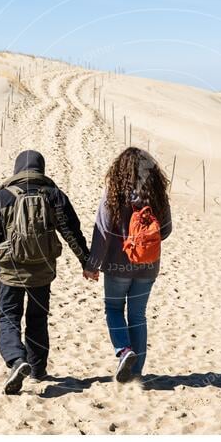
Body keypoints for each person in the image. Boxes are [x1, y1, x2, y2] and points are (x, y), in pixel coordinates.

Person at [0, 150, 90, 395]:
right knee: (37, 318)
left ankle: (17, 361)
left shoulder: (4, 195)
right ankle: (38, 369)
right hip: (43, 270)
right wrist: (86, 261)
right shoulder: (53, 194)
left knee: (9, 317)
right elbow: (71, 231)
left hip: (11, 270)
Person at [84, 147, 172, 383]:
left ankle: (124, 351)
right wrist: (145, 242)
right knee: (137, 315)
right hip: (148, 267)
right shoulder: (157, 196)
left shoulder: (113, 193)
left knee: (113, 310)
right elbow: (166, 230)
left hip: (117, 265)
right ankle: (137, 372)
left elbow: (102, 231)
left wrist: (92, 264)